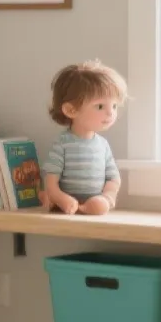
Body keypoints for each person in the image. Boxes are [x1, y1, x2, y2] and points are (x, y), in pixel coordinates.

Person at [42, 61, 125, 215]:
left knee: (99, 207)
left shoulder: (103, 145)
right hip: (67, 199)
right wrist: (60, 197)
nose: (110, 113)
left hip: (96, 200)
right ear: (71, 110)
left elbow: (113, 177)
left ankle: (86, 207)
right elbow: (50, 178)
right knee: (53, 199)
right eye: (100, 106)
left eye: (114, 106)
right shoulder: (63, 143)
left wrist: (108, 196)